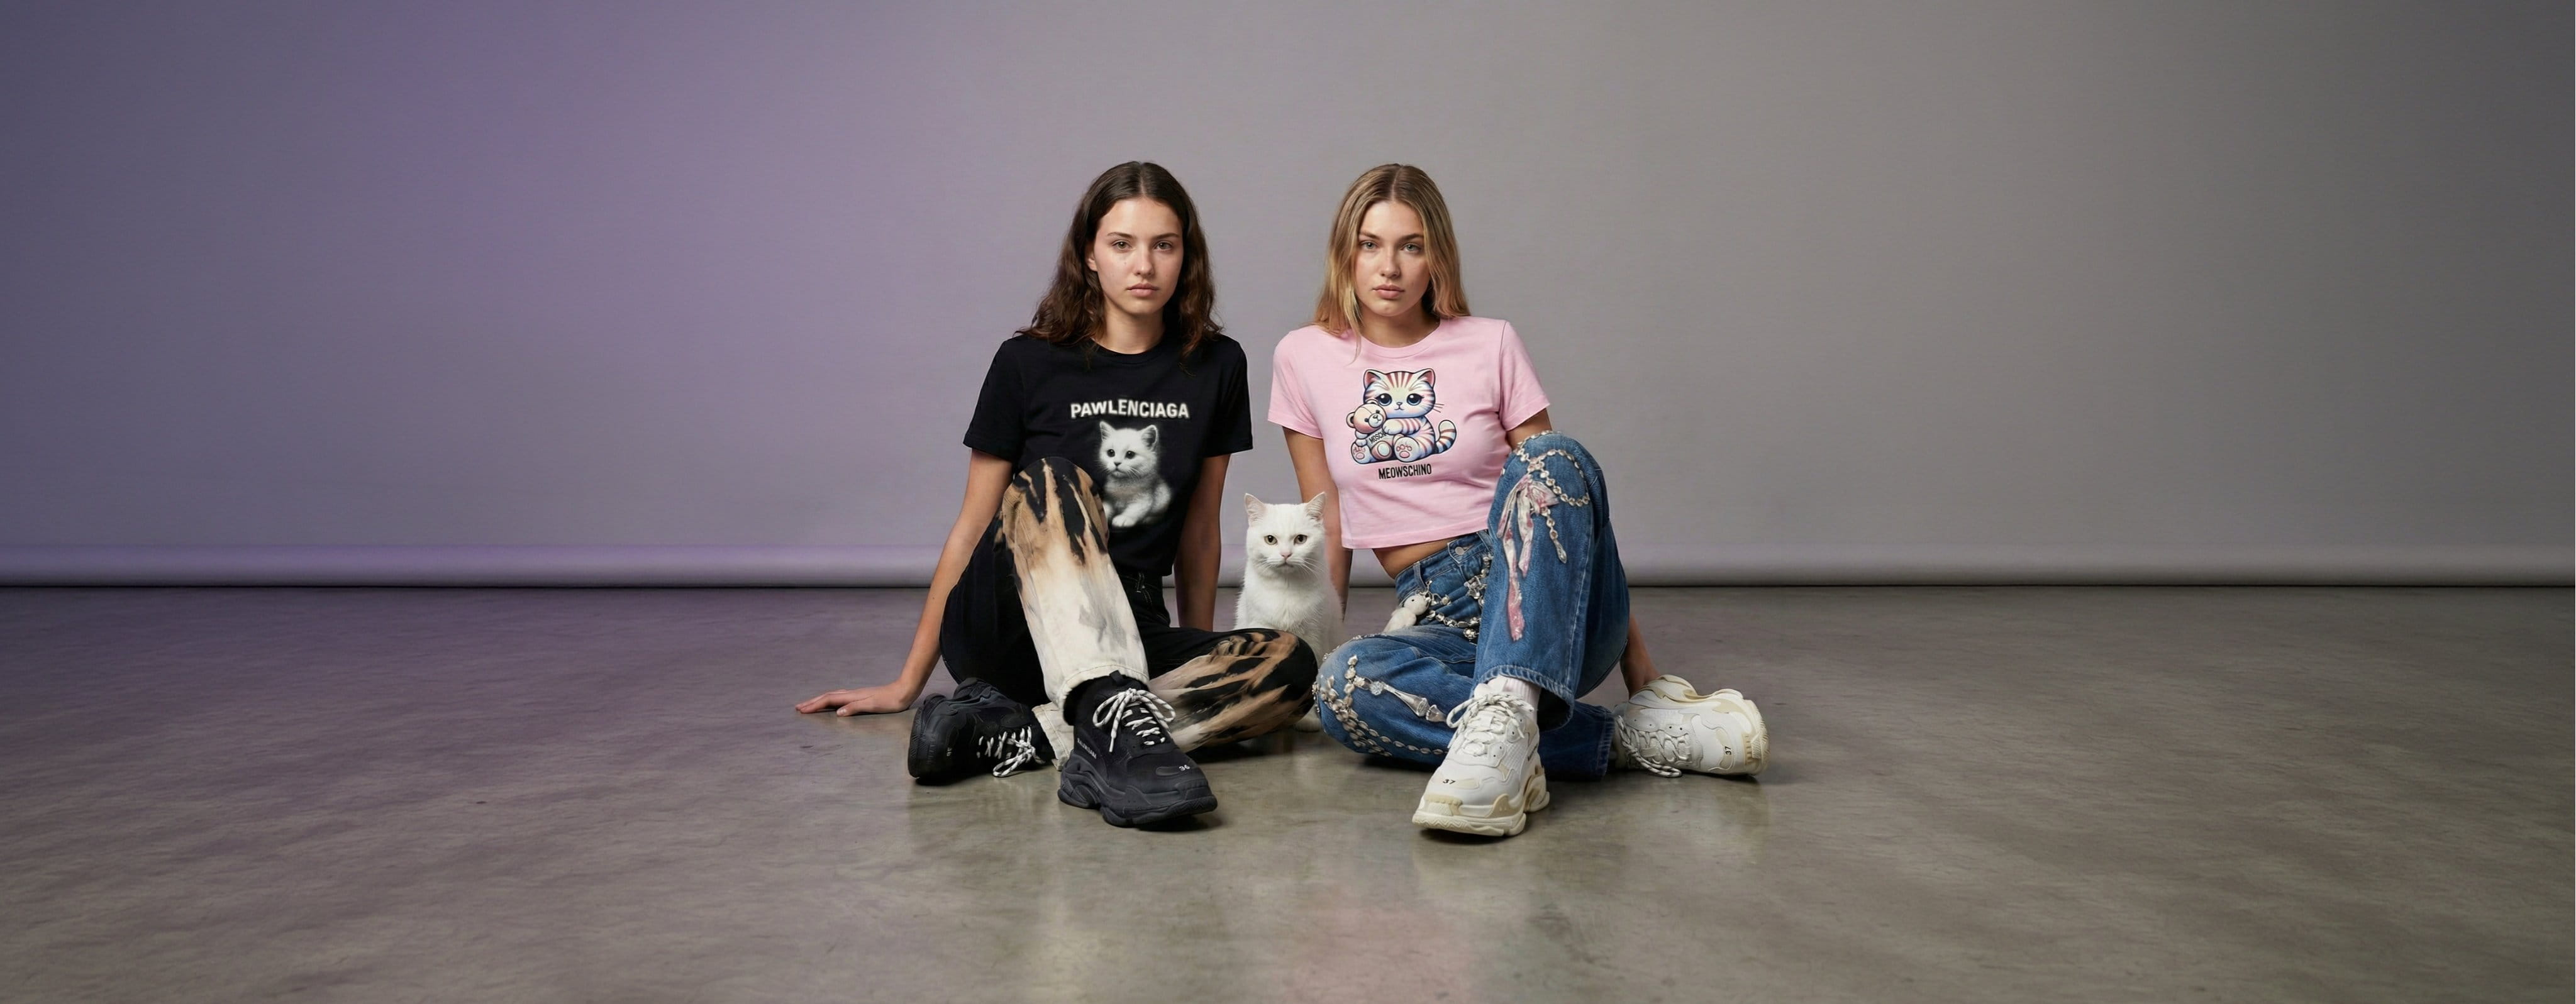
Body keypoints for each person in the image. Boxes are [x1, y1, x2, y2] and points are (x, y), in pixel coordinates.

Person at [799, 162, 1316, 828]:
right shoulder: (1027, 362)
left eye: (1164, 245)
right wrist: (907, 682)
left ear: (1186, 256)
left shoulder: (1216, 364)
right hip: (1011, 620)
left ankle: (1030, 735)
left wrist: (1199, 646)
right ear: (1089, 255)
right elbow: (971, 527)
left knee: (1288, 665)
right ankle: (1115, 725)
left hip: (1129, 620)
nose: (1144, 265)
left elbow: (1199, 530)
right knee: (1055, 478)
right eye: (1122, 244)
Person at [1269, 164, 1768, 838]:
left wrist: (1644, 674)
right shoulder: (1303, 357)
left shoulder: (1490, 342)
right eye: (1370, 245)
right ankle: (1619, 739)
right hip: (1439, 614)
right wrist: (1312, 651)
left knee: (1551, 454)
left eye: (1411, 246)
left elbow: (1560, 495)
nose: (1389, 267)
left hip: (1544, 592)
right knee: (1345, 685)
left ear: (1437, 257)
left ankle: (1522, 720)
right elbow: (1323, 524)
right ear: (1344, 254)